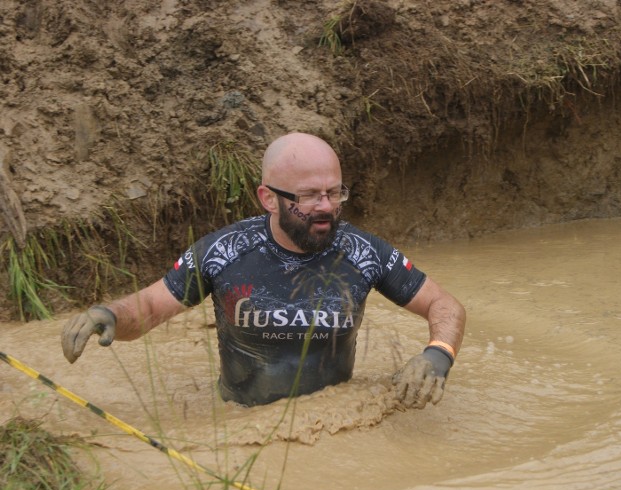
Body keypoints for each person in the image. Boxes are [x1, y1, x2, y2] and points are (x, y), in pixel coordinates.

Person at [61, 132, 466, 409]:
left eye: (333, 192)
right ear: (268, 198)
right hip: (242, 418)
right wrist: (109, 314)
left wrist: (438, 354)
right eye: (308, 196)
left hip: (334, 421)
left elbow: (445, 304)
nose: (325, 206)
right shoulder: (224, 251)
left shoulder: (363, 252)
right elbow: (149, 307)